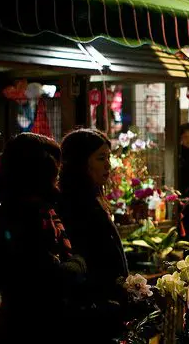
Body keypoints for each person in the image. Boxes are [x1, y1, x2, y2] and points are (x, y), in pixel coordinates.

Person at [0, 133, 86, 344]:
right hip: (32, 325)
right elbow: (47, 274)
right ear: (42, 169)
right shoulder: (24, 214)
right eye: (56, 165)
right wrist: (77, 264)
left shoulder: (41, 209)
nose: (60, 171)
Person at [59, 129, 129, 342]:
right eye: (101, 158)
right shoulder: (73, 203)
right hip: (92, 311)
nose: (108, 164)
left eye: (109, 157)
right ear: (80, 162)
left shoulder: (93, 196)